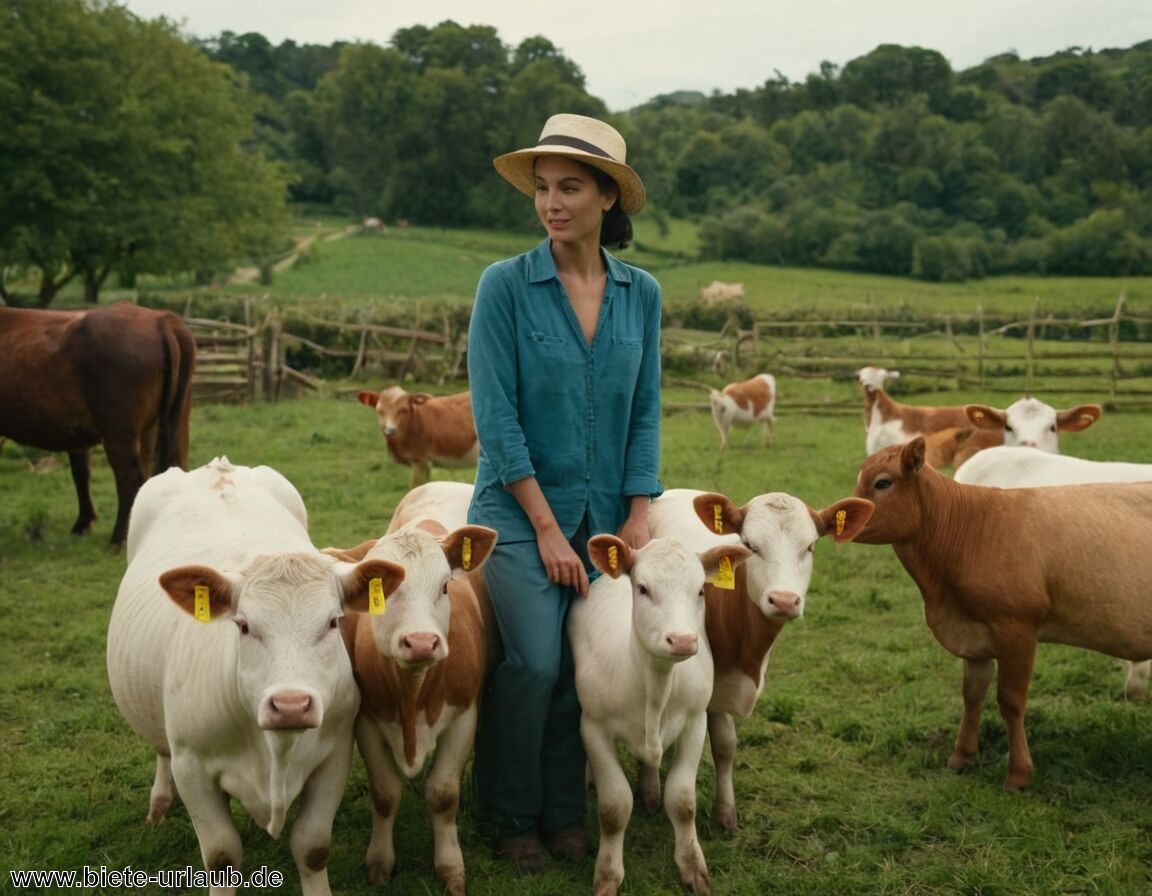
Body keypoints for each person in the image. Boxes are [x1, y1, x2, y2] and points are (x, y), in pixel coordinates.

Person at [467, 113, 664, 872]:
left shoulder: (640, 294)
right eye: (543, 188)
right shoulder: (506, 287)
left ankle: (566, 809)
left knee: (587, 670)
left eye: (571, 188)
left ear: (608, 197)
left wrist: (640, 510)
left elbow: (645, 408)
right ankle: (510, 814)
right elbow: (496, 417)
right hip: (516, 519)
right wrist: (547, 529)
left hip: (610, 515)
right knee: (536, 664)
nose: (552, 202)